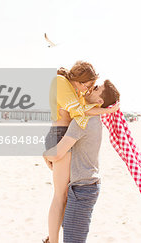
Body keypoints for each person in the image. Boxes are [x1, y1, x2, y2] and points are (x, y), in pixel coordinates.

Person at [43, 62, 119, 243]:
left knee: (66, 195)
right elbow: (78, 112)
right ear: (79, 80)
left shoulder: (78, 91)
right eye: (88, 85)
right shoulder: (61, 82)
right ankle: (52, 240)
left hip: (66, 136)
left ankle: (52, 235)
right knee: (60, 195)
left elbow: (83, 111)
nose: (89, 89)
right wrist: (106, 110)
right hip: (60, 136)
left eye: (93, 87)